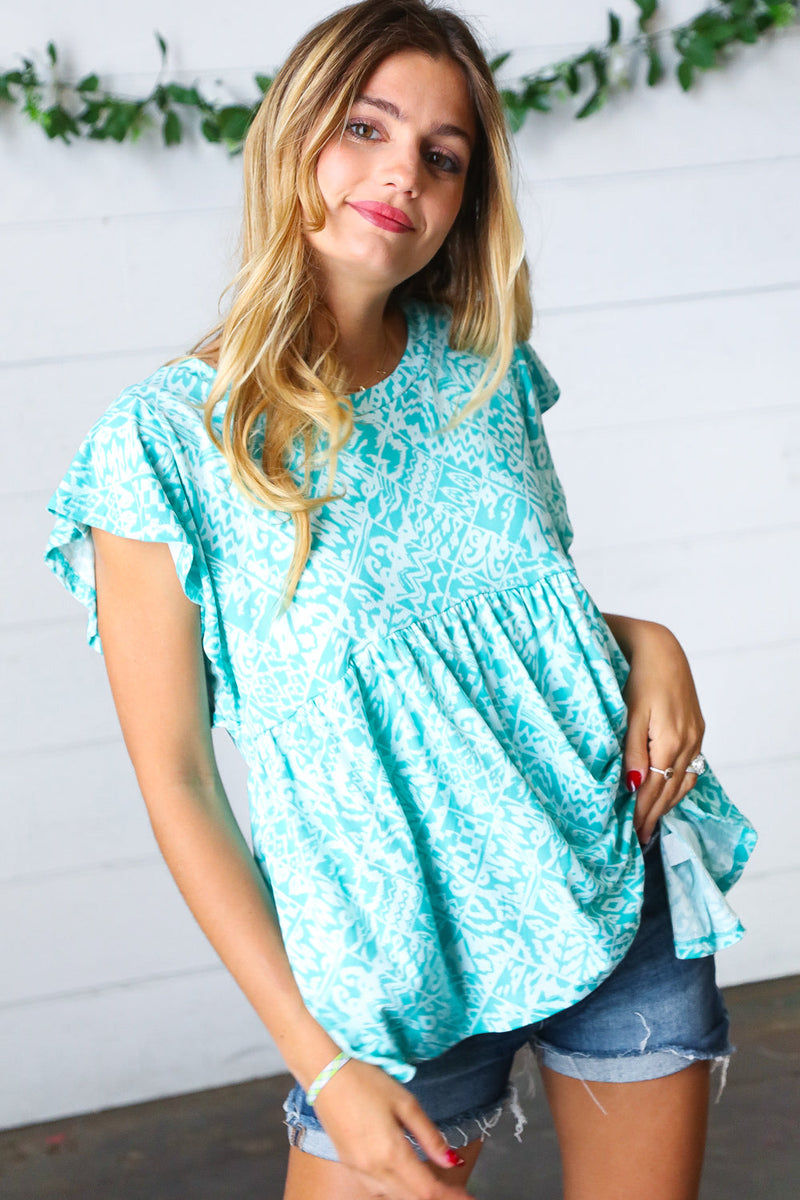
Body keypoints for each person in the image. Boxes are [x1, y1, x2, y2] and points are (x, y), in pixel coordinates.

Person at [43, 2, 757, 1197]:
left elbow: (508, 627)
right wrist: (319, 1062)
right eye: (365, 128)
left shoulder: (483, 371)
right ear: (293, 135)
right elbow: (178, 781)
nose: (402, 175)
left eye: (443, 155)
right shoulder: (161, 446)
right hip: (388, 975)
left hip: (607, 887)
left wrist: (647, 641)